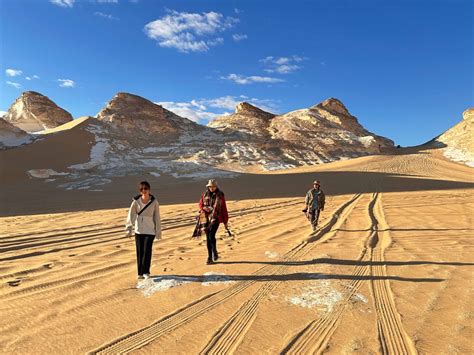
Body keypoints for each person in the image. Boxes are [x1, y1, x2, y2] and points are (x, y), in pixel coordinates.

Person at [125, 181, 161, 280]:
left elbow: (157, 217)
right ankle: (140, 273)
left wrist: (158, 232)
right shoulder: (136, 202)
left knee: (147, 250)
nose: (144, 191)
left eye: (146, 188)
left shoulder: (154, 202)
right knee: (140, 251)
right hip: (139, 230)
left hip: (150, 230)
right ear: (140, 191)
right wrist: (129, 228)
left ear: (149, 189)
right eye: (142, 189)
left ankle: (146, 271)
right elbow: (131, 215)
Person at [198, 179, 229, 264]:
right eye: (210, 187)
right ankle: (209, 257)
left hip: (216, 218)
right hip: (206, 218)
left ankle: (214, 251)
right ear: (208, 187)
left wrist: (225, 222)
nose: (212, 188)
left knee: (211, 236)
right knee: (208, 238)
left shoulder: (220, 195)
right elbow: (200, 204)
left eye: (213, 186)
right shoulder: (204, 194)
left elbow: (223, 208)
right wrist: (204, 209)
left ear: (216, 186)